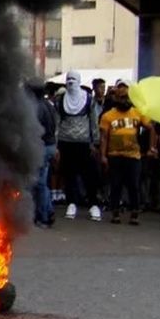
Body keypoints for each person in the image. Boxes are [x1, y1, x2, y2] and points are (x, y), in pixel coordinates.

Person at [97, 84, 153, 225]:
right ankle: (115, 212)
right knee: (116, 185)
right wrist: (103, 156)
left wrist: (152, 147)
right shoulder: (108, 116)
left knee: (133, 185)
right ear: (116, 98)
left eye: (128, 97)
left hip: (133, 155)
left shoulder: (137, 112)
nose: (126, 100)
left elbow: (151, 128)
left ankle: (134, 213)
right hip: (114, 155)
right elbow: (104, 137)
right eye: (122, 97)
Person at [56, 71, 103, 221]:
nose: (71, 83)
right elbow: (57, 123)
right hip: (65, 142)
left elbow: (94, 121)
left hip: (84, 143)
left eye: (73, 80)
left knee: (89, 175)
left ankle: (93, 204)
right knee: (69, 175)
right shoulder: (61, 99)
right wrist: (57, 144)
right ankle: (71, 203)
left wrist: (94, 142)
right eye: (68, 80)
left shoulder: (88, 99)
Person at [29, 81, 58, 228]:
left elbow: (35, 130)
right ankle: (48, 210)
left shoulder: (36, 107)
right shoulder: (49, 105)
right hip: (50, 146)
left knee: (39, 184)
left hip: (42, 148)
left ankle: (44, 217)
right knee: (42, 182)